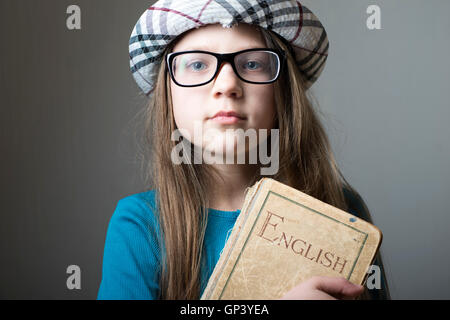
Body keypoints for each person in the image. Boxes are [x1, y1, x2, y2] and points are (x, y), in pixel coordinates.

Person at [97, 0, 390, 300]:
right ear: (168, 93)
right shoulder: (139, 226)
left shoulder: (343, 211)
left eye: (252, 64)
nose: (227, 85)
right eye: (197, 64)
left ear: (283, 91)